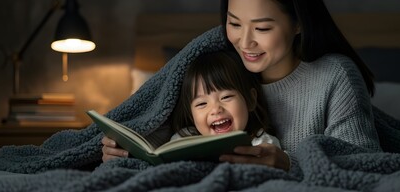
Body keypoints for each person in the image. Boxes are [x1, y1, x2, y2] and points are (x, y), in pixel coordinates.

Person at [103, 0, 382, 171]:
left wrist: (289, 164)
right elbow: (163, 126)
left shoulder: (335, 77)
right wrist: (123, 149)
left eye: (262, 29)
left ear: (298, 23)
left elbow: (366, 164)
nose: (245, 43)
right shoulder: (218, 63)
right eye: (234, 23)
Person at [102, 50, 280, 162]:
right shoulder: (183, 139)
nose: (216, 109)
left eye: (226, 97)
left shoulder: (262, 142)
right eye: (202, 103)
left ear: (250, 100)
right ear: (191, 112)